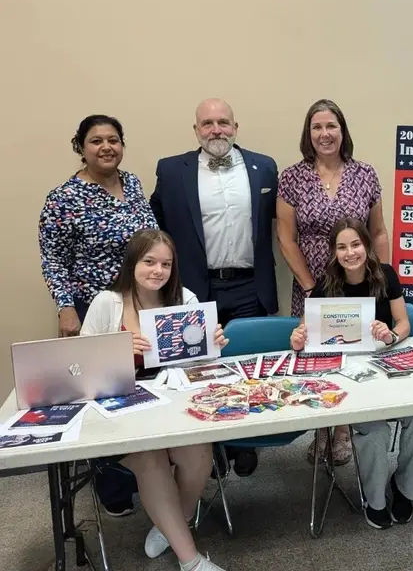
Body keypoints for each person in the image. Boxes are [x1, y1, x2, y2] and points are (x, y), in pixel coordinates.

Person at [81, 229, 228, 571]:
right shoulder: (108, 303)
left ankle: (169, 523)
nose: (157, 271)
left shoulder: (185, 300)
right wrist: (114, 351)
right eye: (149, 261)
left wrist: (213, 344)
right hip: (119, 414)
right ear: (133, 262)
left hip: (175, 410)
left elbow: (202, 367)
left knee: (198, 455)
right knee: (151, 459)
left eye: (165, 263)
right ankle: (190, 561)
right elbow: (80, 365)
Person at [150, 98, 279, 477]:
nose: (216, 129)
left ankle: (245, 443)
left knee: (249, 368)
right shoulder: (172, 171)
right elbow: (156, 226)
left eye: (223, 122)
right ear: (196, 130)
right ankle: (211, 447)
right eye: (207, 123)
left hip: (249, 284)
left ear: (236, 127)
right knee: (200, 370)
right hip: (194, 287)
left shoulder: (264, 167)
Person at [38, 114, 159, 517]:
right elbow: (52, 258)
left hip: (141, 301)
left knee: (148, 388)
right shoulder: (64, 198)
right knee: (109, 395)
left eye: (113, 140)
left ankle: (154, 470)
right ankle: (114, 485)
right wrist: (65, 306)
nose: (106, 147)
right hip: (95, 309)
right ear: (81, 146)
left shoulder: (134, 184)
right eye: (95, 141)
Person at [290, 217, 413, 529]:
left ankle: (405, 489)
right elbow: (303, 332)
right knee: (376, 430)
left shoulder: (386, 275)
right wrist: (297, 338)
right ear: (333, 253)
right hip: (351, 374)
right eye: (342, 247)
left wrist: (391, 336)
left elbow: (404, 323)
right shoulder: (325, 284)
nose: (350, 252)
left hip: (389, 362)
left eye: (355, 244)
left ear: (366, 246)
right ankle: (375, 498)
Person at [277, 98, 390, 466]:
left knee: (350, 356)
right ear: (308, 134)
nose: (325, 134)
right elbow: (286, 238)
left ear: (343, 131)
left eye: (332, 126)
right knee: (316, 359)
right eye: (317, 127)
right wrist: (312, 289)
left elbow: (378, 231)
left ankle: (343, 431)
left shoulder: (365, 174)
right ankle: (321, 429)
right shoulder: (292, 178)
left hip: (359, 284)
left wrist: (382, 279)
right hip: (311, 285)